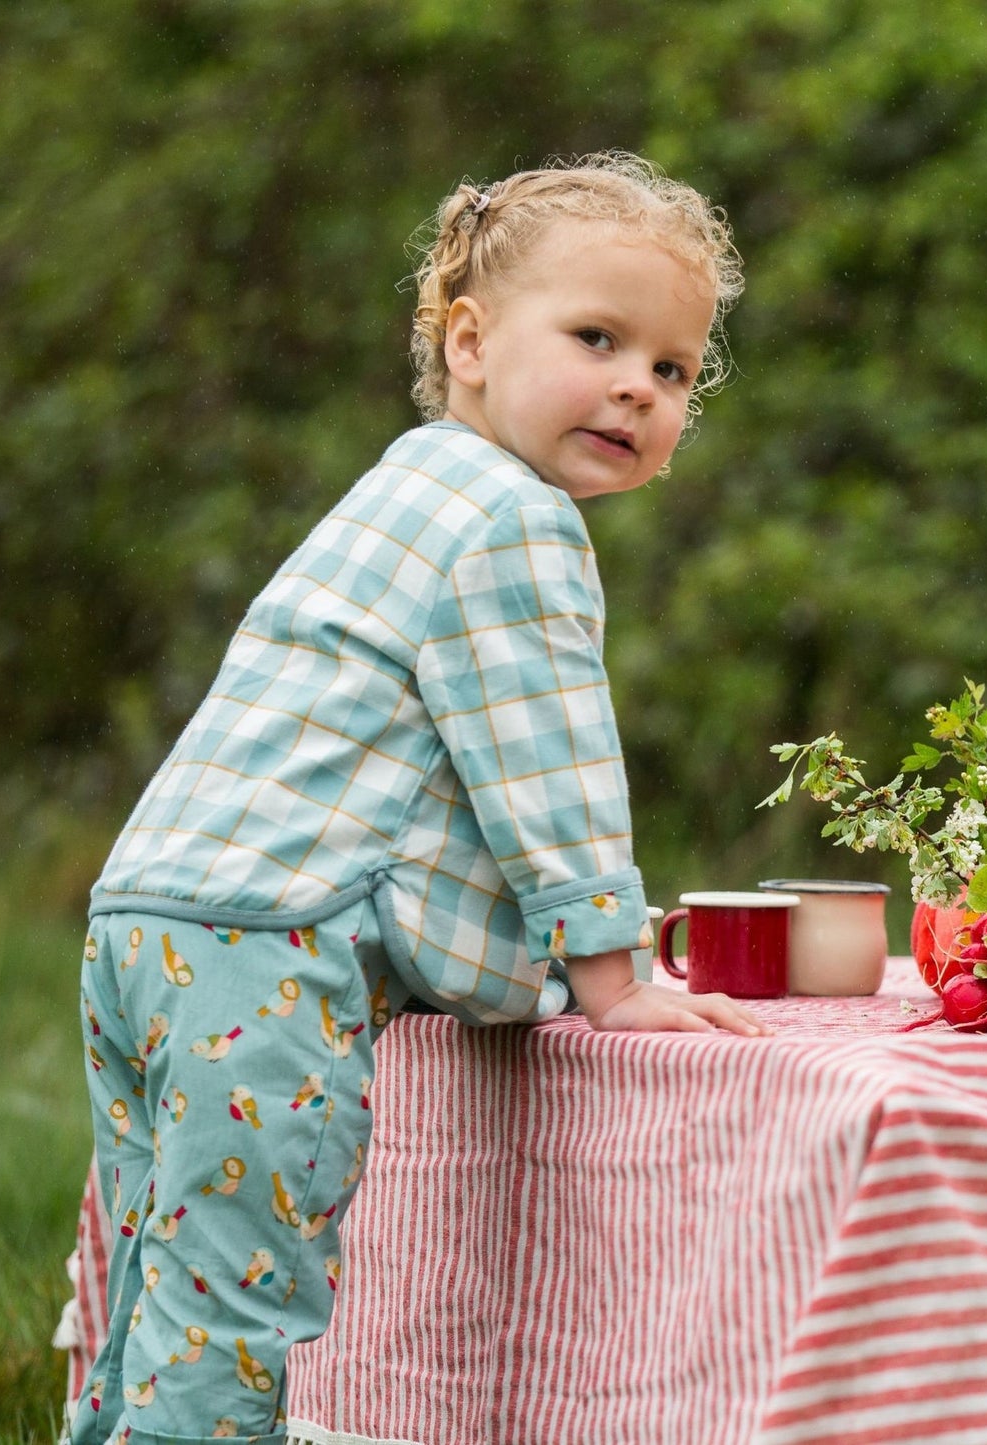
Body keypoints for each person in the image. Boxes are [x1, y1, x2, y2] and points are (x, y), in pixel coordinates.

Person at [71, 151, 762, 1445]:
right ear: (470, 340)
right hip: (263, 951)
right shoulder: (514, 520)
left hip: (147, 921)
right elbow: (545, 761)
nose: (636, 385)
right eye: (598, 337)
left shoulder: (406, 485)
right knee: (235, 1309)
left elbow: (417, 794)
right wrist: (610, 971)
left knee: (168, 1285)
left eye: (671, 371)